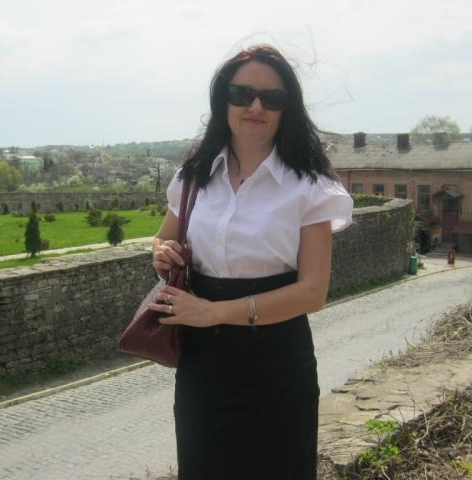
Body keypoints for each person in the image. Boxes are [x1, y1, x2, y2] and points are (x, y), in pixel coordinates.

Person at [148, 44, 353, 479]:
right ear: (223, 100)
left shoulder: (308, 186)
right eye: (242, 94)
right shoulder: (195, 176)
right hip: (203, 365)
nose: (255, 107)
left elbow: (312, 293)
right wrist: (162, 253)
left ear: (286, 109)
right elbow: (163, 239)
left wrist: (214, 312)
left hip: (277, 364)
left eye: (271, 98)